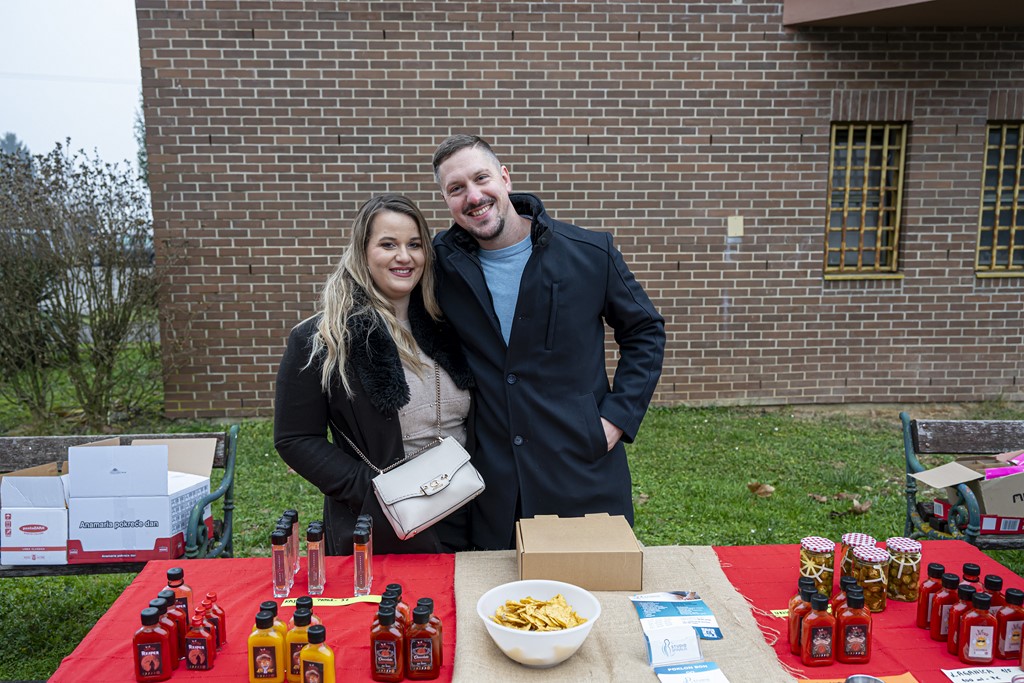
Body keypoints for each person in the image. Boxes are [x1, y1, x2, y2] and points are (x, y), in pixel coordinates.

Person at [431, 134, 666, 550]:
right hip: (492, 484)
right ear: (447, 200)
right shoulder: (439, 266)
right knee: (496, 590)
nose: (473, 196)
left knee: (592, 586)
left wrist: (616, 419)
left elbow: (644, 330)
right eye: (456, 188)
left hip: (581, 468)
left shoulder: (590, 252)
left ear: (505, 178)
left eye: (481, 178)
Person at [274, 194, 475, 555]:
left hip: (466, 505)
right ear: (363, 252)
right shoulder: (322, 338)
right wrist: (375, 492)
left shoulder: (450, 325)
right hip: (386, 523)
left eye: (414, 244)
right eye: (388, 244)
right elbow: (295, 438)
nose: (404, 256)